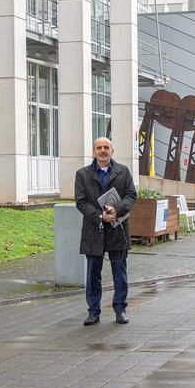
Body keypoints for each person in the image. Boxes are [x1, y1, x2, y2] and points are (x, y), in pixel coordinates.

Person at [75, 137, 137, 325]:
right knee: (93, 273)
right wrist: (100, 216)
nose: (103, 151)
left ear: (112, 150)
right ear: (93, 151)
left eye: (106, 147)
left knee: (120, 272)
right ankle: (93, 311)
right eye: (99, 148)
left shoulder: (123, 172)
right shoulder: (82, 174)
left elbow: (131, 195)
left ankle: (120, 309)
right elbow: (81, 201)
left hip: (117, 229)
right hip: (94, 230)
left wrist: (117, 210)